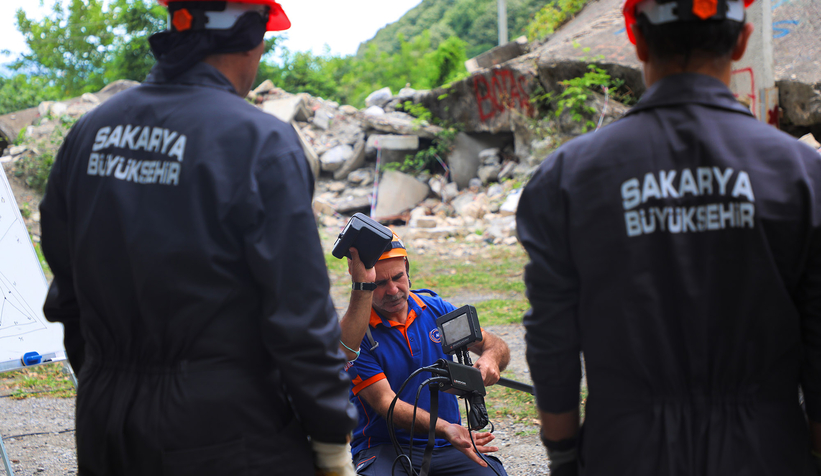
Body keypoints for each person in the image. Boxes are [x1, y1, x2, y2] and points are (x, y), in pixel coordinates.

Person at [39, 1, 358, 475]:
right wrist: (333, 437)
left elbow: (67, 295)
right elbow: (299, 318)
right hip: (223, 428)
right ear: (251, 35)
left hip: (104, 420)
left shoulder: (90, 132)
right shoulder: (259, 142)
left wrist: (114, 375)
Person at [516, 0, 821, 474]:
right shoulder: (802, 176)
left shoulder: (567, 179)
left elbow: (550, 336)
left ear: (635, 35)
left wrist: (563, 455)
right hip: (765, 450)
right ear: (742, 41)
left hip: (626, 450)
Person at [340, 232, 512, 475]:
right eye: (379, 283)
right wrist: (445, 428)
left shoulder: (435, 309)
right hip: (385, 448)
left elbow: (493, 344)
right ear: (365, 281)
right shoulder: (355, 336)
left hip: (448, 444)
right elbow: (386, 403)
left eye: (398, 277)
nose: (392, 290)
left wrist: (491, 358)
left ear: (407, 269)